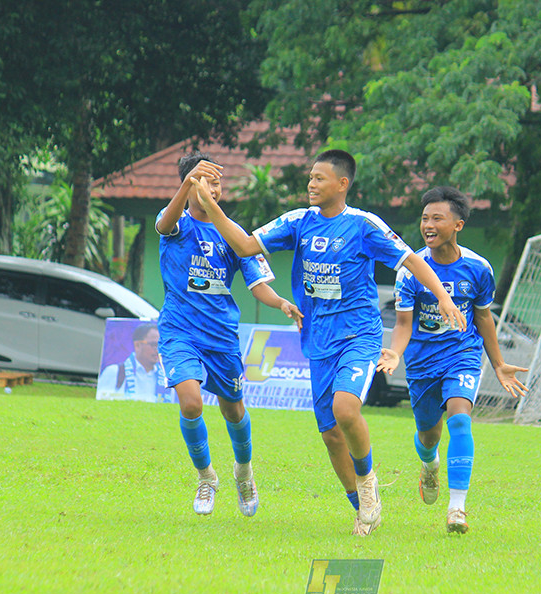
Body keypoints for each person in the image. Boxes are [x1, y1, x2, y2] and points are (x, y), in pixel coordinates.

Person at [188, 149, 466, 536]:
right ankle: (360, 508)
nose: (311, 184)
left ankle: (368, 485)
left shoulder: (363, 225)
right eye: (310, 177)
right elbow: (247, 246)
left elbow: (412, 261)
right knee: (331, 434)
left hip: (359, 335)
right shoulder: (298, 221)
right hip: (318, 340)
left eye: (319, 178)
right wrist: (210, 208)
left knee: (346, 409)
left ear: (342, 184)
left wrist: (442, 296)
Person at [156, 151, 302, 518]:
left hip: (221, 335)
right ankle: (206, 477)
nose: (213, 188)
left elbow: (258, 285)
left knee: (233, 410)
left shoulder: (233, 235)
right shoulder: (175, 222)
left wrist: (280, 302)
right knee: (190, 402)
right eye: (205, 181)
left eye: (217, 182)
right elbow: (162, 226)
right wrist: (188, 183)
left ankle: (244, 473)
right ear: (189, 186)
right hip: (179, 331)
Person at [377, 186, 528, 533]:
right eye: (425, 218)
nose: (428, 225)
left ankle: (457, 509)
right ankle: (429, 463)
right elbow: (403, 323)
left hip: (462, 354)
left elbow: (484, 318)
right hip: (421, 362)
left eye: (437, 218)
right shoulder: (410, 270)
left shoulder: (478, 268)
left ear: (458, 225)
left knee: (460, 419)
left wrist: (499, 362)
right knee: (429, 435)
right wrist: (396, 352)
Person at [96, 322, 170, 402]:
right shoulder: (115, 372)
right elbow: (102, 402)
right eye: (153, 345)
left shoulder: (166, 378)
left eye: (161, 345)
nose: (158, 350)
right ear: (137, 345)